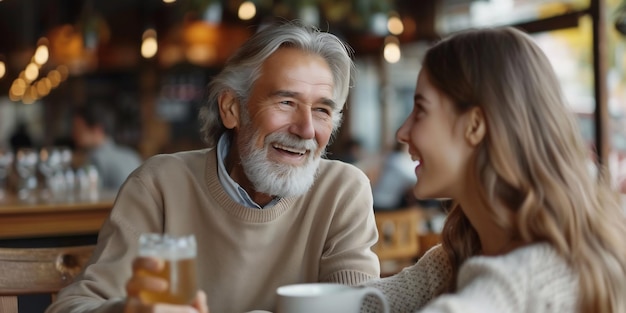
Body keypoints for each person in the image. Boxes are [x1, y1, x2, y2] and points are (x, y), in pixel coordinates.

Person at [47, 21, 380, 313]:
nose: (306, 129)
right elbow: (73, 306)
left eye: (322, 110)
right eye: (286, 102)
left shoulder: (341, 190)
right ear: (231, 108)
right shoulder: (159, 186)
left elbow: (359, 306)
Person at [362, 27, 626, 312]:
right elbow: (364, 302)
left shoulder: (522, 282)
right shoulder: (465, 250)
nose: (402, 131)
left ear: (475, 125)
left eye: (421, 109)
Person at [72, 100, 143, 191]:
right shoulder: (131, 154)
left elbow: (89, 196)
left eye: (78, 128)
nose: (73, 134)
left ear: (97, 130)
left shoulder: (96, 158)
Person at [372, 142, 417, 210]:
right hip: (383, 203)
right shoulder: (396, 159)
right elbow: (414, 177)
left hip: (389, 200)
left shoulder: (399, 159)